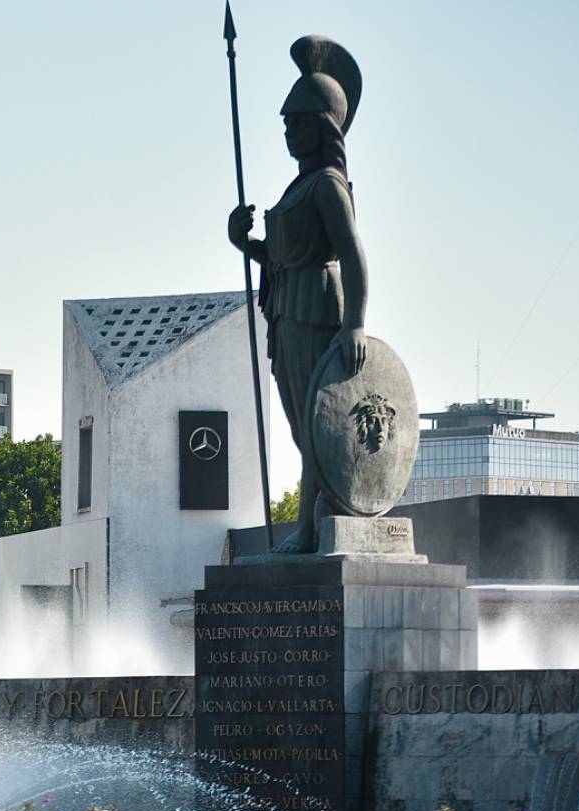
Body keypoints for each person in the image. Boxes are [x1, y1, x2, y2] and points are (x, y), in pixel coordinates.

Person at [228, 35, 367, 554]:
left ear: (322, 125)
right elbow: (281, 258)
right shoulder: (299, 186)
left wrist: (355, 323)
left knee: (315, 426)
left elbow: (352, 255)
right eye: (285, 124)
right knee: (299, 428)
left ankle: (311, 529)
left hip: (316, 312)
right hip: (286, 311)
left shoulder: (329, 185)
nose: (288, 132)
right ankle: (319, 515)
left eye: (297, 123)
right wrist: (244, 243)